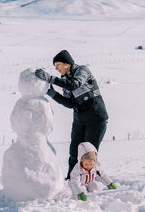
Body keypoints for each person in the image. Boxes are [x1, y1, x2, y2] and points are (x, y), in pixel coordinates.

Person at [35, 50, 108, 180]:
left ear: (67, 63)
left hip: (96, 118)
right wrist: (51, 93)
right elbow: (70, 103)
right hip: (80, 119)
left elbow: (74, 85)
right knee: (74, 152)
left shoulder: (82, 70)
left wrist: (50, 78)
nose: (56, 69)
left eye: (58, 65)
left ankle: (87, 181)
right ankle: (71, 180)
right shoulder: (64, 79)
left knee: (88, 154)